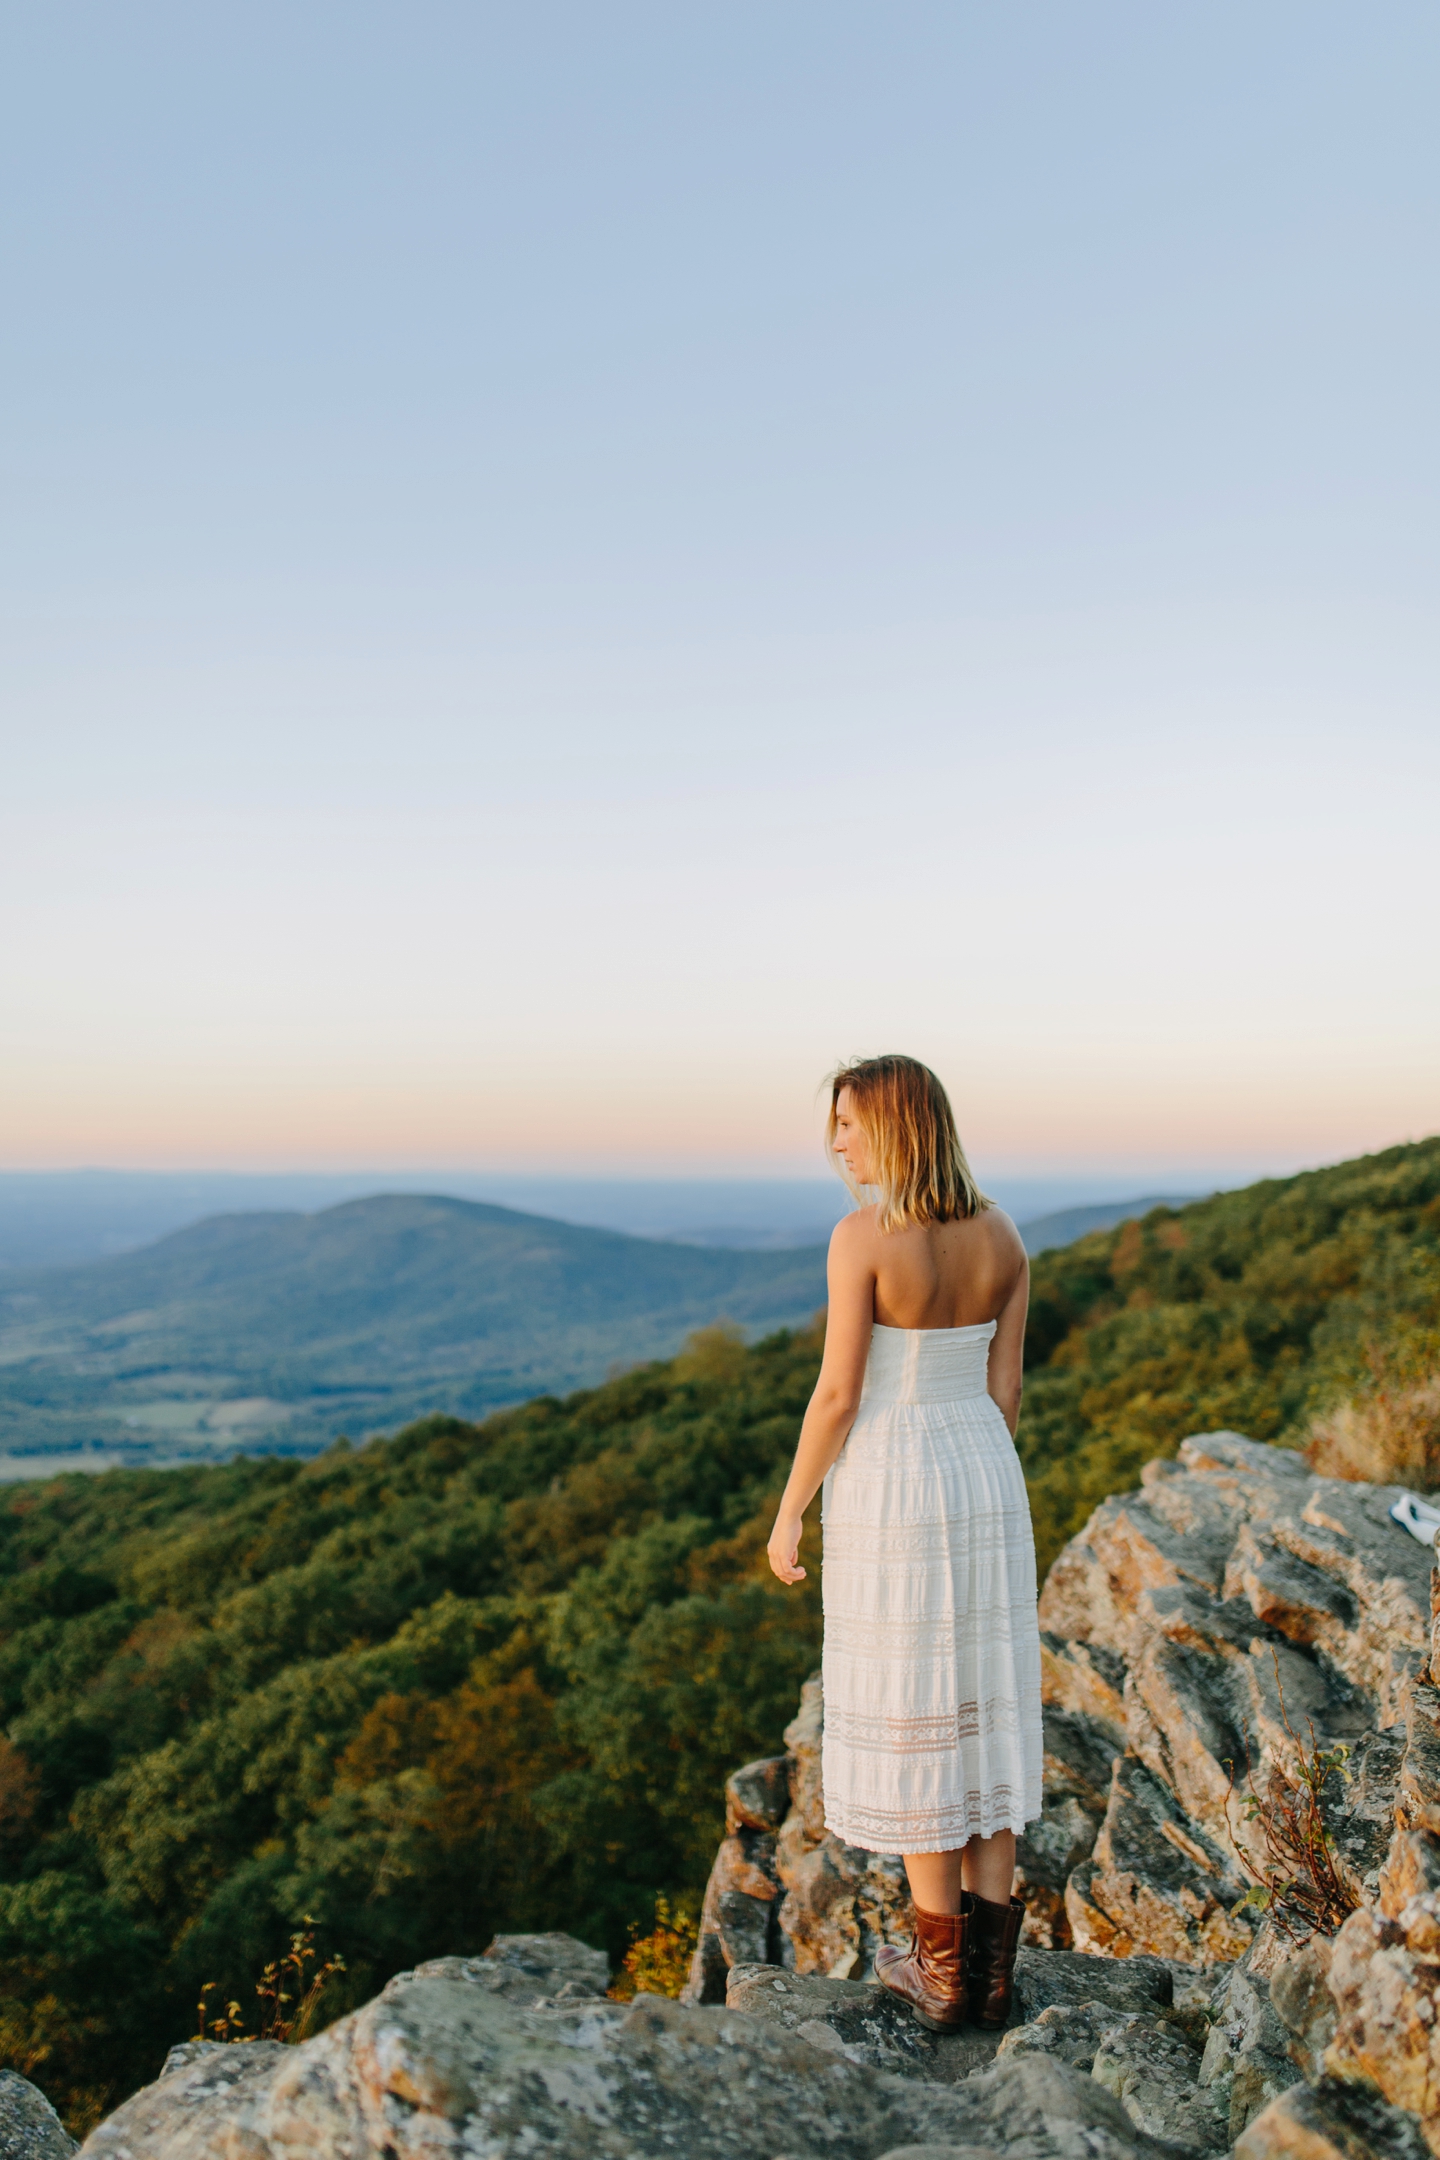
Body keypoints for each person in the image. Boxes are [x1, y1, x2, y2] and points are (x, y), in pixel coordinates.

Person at [767, 1055, 1042, 2032]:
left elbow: (840, 1391)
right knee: (983, 1705)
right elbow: (1005, 1389)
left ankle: (938, 1976)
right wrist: (980, 1474)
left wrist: (792, 1506)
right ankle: (993, 1977)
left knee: (920, 1705)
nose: (835, 1142)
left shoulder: (863, 1238)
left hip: (895, 1475)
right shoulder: (1003, 1232)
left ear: (895, 1127)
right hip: (983, 1468)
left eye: (847, 1123)